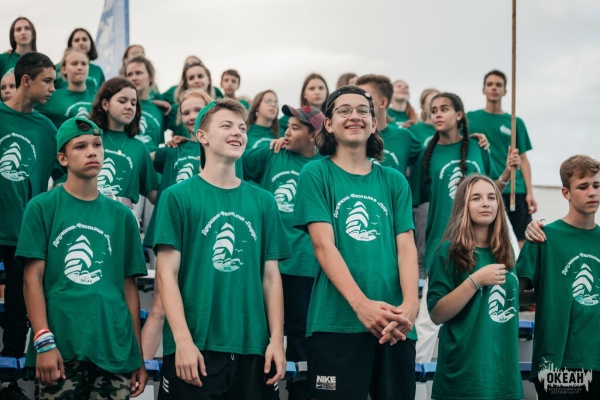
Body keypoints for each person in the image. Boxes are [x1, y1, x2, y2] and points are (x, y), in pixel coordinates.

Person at [154, 98, 290, 398]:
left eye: (242, 128)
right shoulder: (177, 196)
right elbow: (166, 275)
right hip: (196, 348)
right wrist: (182, 341)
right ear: (201, 136)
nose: (237, 132)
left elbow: (271, 278)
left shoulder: (264, 201)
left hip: (253, 348)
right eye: (226, 126)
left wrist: (276, 341)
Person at [293, 86, 419, 399]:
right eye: (344, 110)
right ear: (328, 123)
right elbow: (323, 246)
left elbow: (406, 248)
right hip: (337, 323)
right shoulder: (315, 173)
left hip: (395, 325)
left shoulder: (394, 180)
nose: (355, 116)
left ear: (374, 123)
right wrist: (362, 306)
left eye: (363, 111)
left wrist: (410, 307)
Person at [17, 116, 148, 399]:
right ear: (62, 158)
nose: (92, 152)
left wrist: (137, 355)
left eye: (97, 145)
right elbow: (31, 279)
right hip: (61, 345)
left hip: (114, 348)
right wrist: (43, 342)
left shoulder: (123, 216)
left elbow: (129, 289)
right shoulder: (41, 207)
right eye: (80, 146)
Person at [410, 92, 519, 363]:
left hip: (481, 243)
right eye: (434, 110)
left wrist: (506, 174)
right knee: (427, 322)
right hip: (442, 244)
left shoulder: (478, 146)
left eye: (444, 109)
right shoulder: (426, 154)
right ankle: (416, 379)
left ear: (459, 115)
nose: (437, 114)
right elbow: (416, 200)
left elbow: (491, 193)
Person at [244, 104, 324, 400]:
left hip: (305, 264)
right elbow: (232, 166)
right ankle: (263, 389)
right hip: (269, 263)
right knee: (263, 331)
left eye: (295, 128)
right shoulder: (271, 153)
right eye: (287, 126)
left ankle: (300, 392)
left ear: (313, 135)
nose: (287, 132)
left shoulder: (323, 166)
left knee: (301, 335)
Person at [427, 174, 523, 400]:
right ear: (463, 205)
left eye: (491, 197)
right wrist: (475, 280)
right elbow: (437, 314)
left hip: (504, 377)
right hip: (464, 377)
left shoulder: (506, 251)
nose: (486, 203)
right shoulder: (448, 252)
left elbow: (509, 297)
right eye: (476, 198)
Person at [0, 51, 58, 400]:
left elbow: (61, 175)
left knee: (18, 312)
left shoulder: (47, 129)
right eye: (47, 81)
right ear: (26, 81)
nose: (52, 88)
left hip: (23, 234)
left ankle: (8, 381)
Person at [518, 155, 600, 399]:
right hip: (556, 364)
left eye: (596, 185)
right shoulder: (543, 237)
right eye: (583, 187)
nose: (592, 192)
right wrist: (550, 292)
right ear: (566, 192)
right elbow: (513, 295)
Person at [140, 88, 212, 359]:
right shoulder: (173, 149)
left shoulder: (219, 149)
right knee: (160, 305)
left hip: (203, 233)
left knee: (198, 303)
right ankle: (141, 367)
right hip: (170, 232)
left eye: (198, 110)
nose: (192, 116)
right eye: (186, 112)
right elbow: (141, 159)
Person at [467, 70, 536, 247]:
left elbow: (523, 158)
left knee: (525, 238)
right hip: (485, 186)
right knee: (486, 237)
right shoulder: (470, 118)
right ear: (483, 89)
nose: (494, 88)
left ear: (505, 91)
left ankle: (525, 267)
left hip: (514, 188)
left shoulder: (515, 122)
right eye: (490, 84)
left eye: (498, 85)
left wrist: (530, 192)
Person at [89, 77, 158, 208]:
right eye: (122, 101)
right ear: (105, 104)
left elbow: (154, 196)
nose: (129, 107)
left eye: (133, 103)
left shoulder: (139, 148)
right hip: (88, 210)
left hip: (124, 215)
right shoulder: (89, 138)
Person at [355, 74, 422, 175]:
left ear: (383, 103)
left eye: (365, 97)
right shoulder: (350, 136)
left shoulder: (404, 137)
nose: (357, 102)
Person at [36, 48, 95, 128]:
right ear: (64, 69)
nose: (80, 67)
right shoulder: (51, 96)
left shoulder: (98, 96)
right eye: (74, 64)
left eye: (84, 64)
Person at [124, 55, 168, 153]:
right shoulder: (119, 106)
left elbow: (159, 143)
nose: (134, 78)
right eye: (129, 75)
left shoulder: (158, 110)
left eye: (138, 73)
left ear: (151, 77)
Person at [54, 28, 106, 92]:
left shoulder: (97, 70)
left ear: (91, 43)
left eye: (84, 39)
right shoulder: (57, 68)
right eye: (77, 40)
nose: (81, 43)